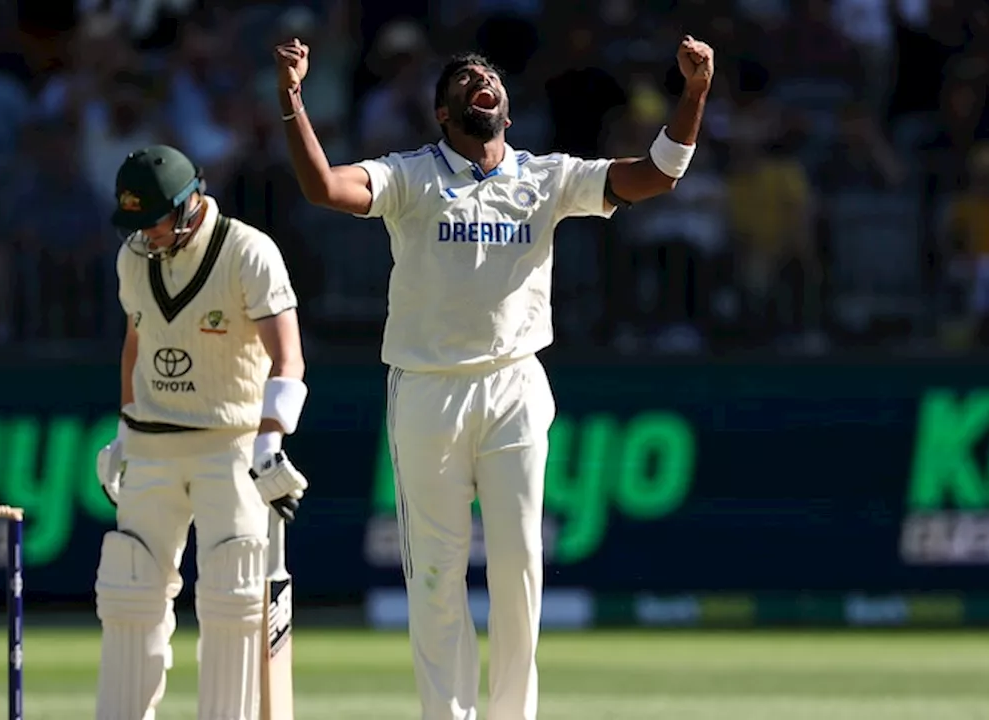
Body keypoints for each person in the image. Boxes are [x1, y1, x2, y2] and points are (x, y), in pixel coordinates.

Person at [274, 35, 715, 720]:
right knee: (435, 577)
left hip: (514, 384)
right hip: (427, 389)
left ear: (506, 111)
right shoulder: (411, 175)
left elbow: (657, 175)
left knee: (519, 572)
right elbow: (324, 186)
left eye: (489, 76)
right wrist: (291, 100)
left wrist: (695, 92)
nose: (479, 79)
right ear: (445, 115)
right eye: (462, 79)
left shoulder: (544, 177)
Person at [91, 144, 310, 720]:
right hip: (151, 447)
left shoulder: (248, 251)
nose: (146, 237)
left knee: (232, 602)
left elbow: (288, 358)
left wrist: (270, 443)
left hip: (229, 444)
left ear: (190, 204)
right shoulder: (133, 258)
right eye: (134, 225)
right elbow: (136, 343)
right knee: (129, 595)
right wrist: (123, 430)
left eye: (154, 222)